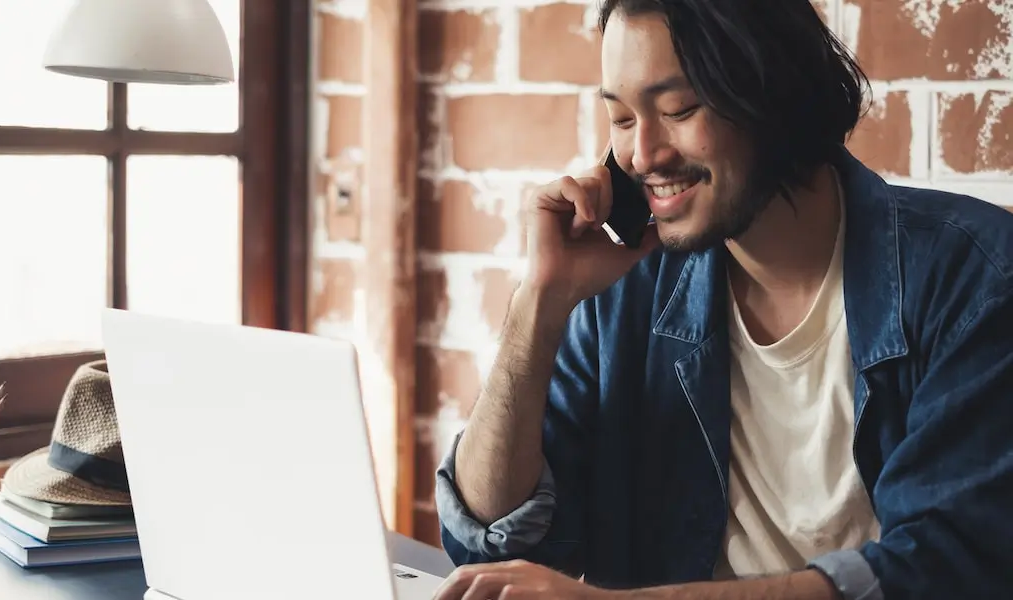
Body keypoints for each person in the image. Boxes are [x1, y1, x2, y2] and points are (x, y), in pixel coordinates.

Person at [429, 1, 1013, 599]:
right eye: (623, 119)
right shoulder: (622, 292)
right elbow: (489, 543)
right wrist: (540, 304)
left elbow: (945, 568)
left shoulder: (975, 280)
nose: (643, 155)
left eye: (678, 109)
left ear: (773, 92)